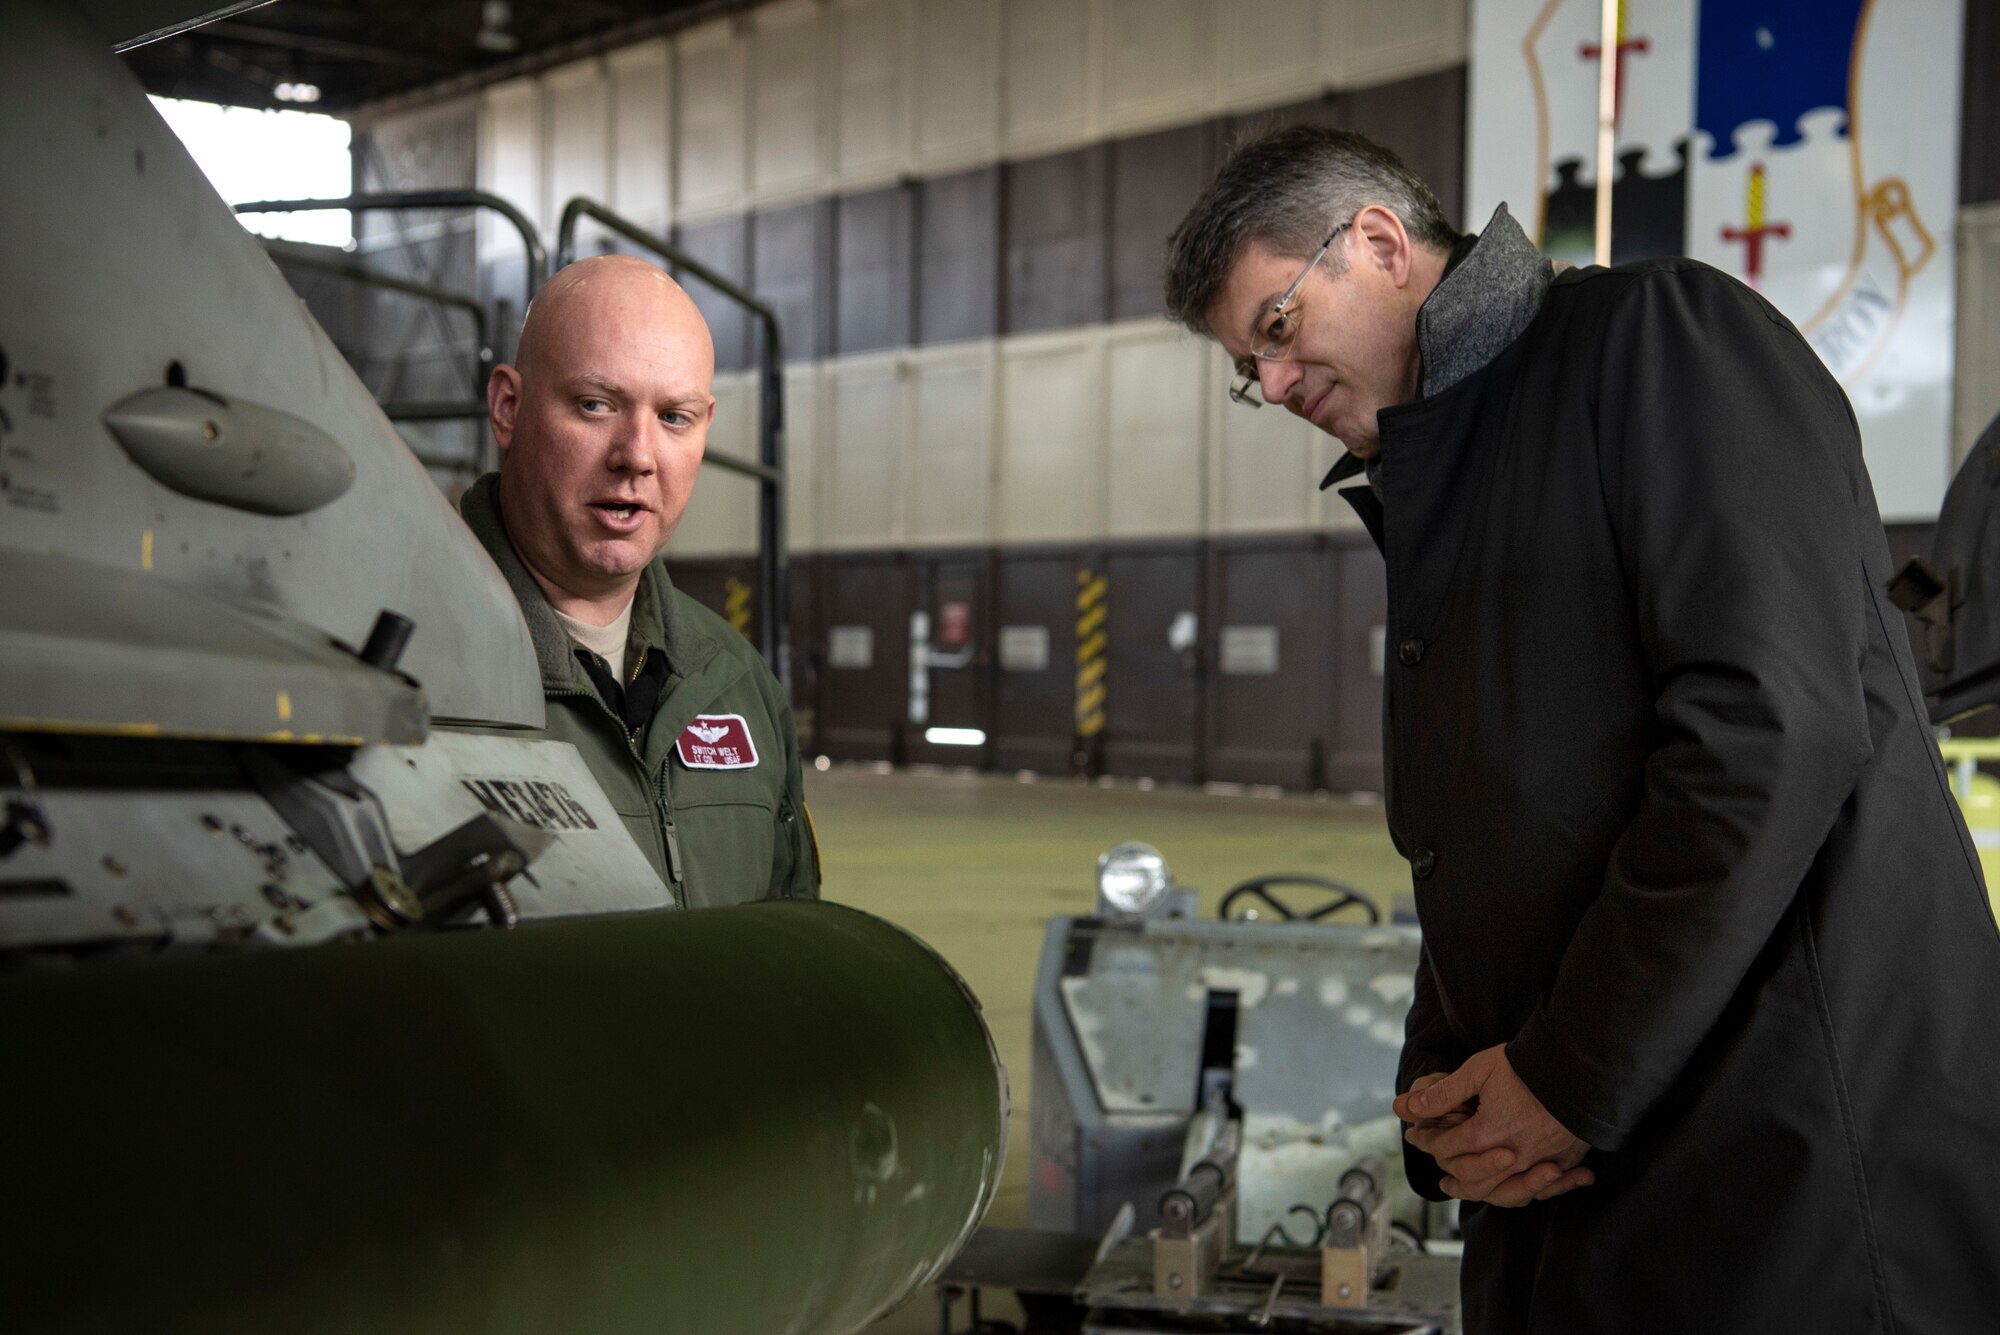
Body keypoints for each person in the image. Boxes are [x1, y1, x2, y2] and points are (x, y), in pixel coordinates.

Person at [1164, 125, 2000, 1331]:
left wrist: (1566, 1076)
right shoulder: (1449, 469)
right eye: (1253, 368)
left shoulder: (1659, 341)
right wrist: (1444, 1101)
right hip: (1593, 1165)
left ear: (1381, 244)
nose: (1276, 388)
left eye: (1278, 331)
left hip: (1791, 1169)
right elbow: (1490, 832)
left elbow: (1766, 731)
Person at [460, 254, 818, 908]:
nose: (638, 455)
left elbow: (790, 950)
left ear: (706, 427)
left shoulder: (739, 684)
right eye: (596, 404)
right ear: (508, 407)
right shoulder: (400, 665)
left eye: (674, 417)